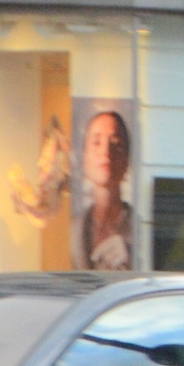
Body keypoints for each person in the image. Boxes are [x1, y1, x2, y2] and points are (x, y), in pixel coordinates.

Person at [79, 110, 135, 271]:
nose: (106, 152)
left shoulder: (139, 228)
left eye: (116, 143)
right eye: (96, 142)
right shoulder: (75, 229)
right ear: (84, 157)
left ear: (127, 159)